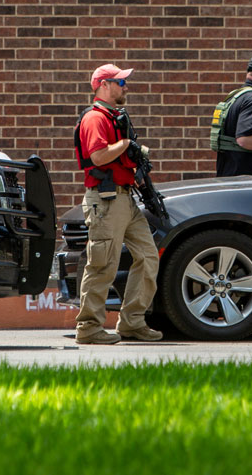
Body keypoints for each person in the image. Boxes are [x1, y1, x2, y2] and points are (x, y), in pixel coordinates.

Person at [72, 63, 162, 345]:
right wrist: (126, 145)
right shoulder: (95, 119)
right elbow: (98, 157)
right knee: (103, 264)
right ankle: (88, 327)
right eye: (120, 82)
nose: (125, 87)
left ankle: (133, 322)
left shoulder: (114, 117)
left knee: (148, 256)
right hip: (106, 200)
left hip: (125, 198)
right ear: (103, 85)